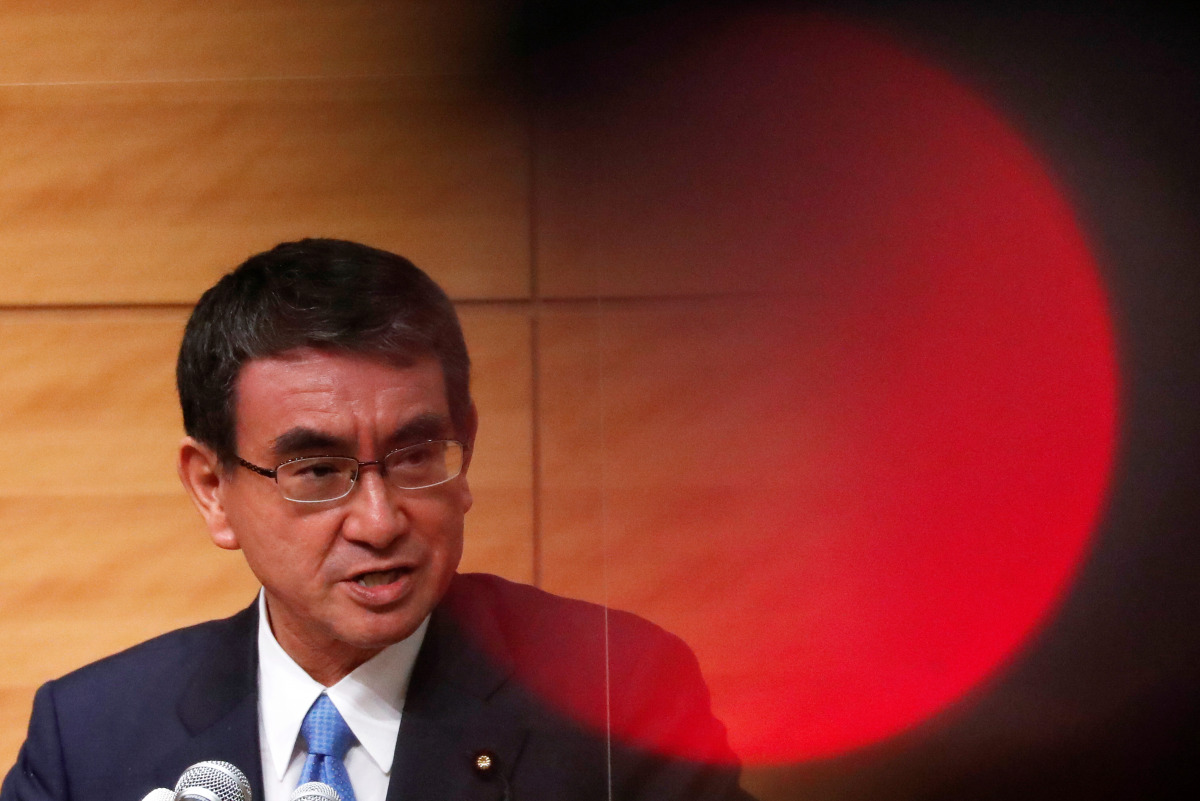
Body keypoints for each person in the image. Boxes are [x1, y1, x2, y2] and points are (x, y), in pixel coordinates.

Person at [0, 239, 752, 801]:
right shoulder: (91, 740)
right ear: (212, 489)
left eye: (417, 453)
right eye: (318, 470)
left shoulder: (619, 699)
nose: (379, 517)